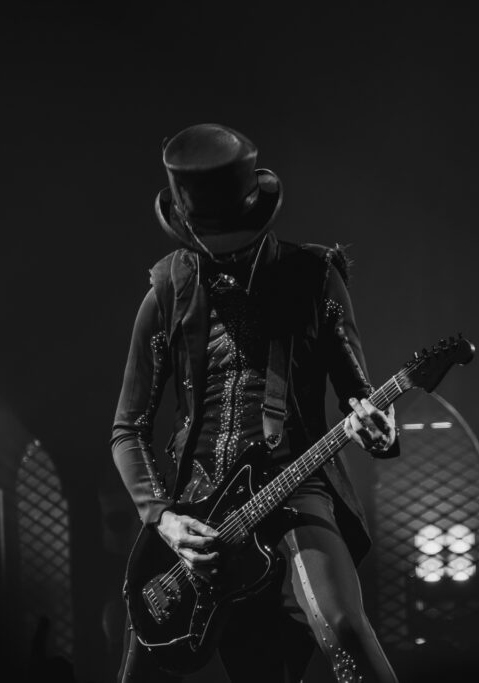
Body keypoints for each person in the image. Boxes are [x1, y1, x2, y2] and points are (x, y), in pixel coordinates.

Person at [111, 122, 400, 682]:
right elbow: (128, 428)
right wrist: (163, 517)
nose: (227, 253)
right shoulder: (166, 291)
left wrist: (379, 428)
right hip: (195, 511)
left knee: (343, 627)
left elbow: (361, 397)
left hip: (295, 487)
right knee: (140, 669)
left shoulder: (314, 277)